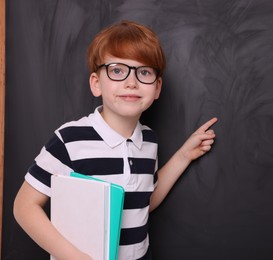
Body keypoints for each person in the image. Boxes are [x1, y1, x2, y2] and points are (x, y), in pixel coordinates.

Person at [13, 20, 217, 260]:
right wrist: (73, 257)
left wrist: (183, 156)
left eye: (144, 72)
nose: (132, 82)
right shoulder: (70, 139)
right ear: (96, 83)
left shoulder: (149, 141)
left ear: (157, 87)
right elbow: (24, 207)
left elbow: (142, 202)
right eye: (117, 70)